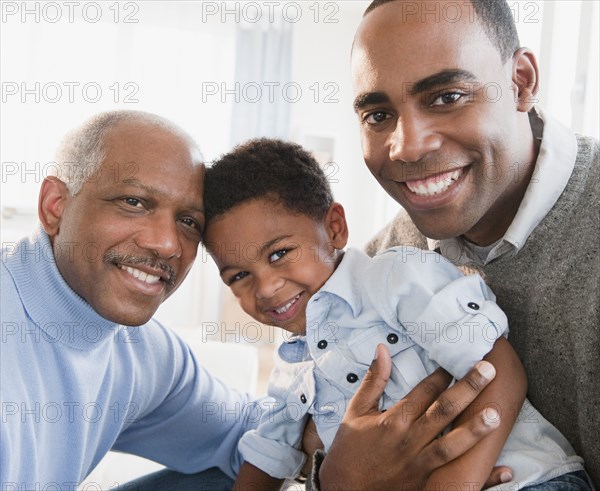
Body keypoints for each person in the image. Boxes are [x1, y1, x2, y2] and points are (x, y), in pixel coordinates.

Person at [0, 110, 502, 491]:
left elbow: (249, 431)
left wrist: (356, 448)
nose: (166, 244)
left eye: (188, 222)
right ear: (54, 207)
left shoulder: (140, 352)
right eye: (134, 202)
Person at [201, 138, 588, 490]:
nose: (265, 287)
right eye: (239, 276)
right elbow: (267, 458)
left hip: (529, 479)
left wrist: (454, 485)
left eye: (279, 254)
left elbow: (499, 369)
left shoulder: (395, 277)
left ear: (334, 228)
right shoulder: (292, 367)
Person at [351, 0, 599, 487]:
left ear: (521, 82)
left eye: (446, 97)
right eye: (379, 114)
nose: (407, 146)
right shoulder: (382, 262)